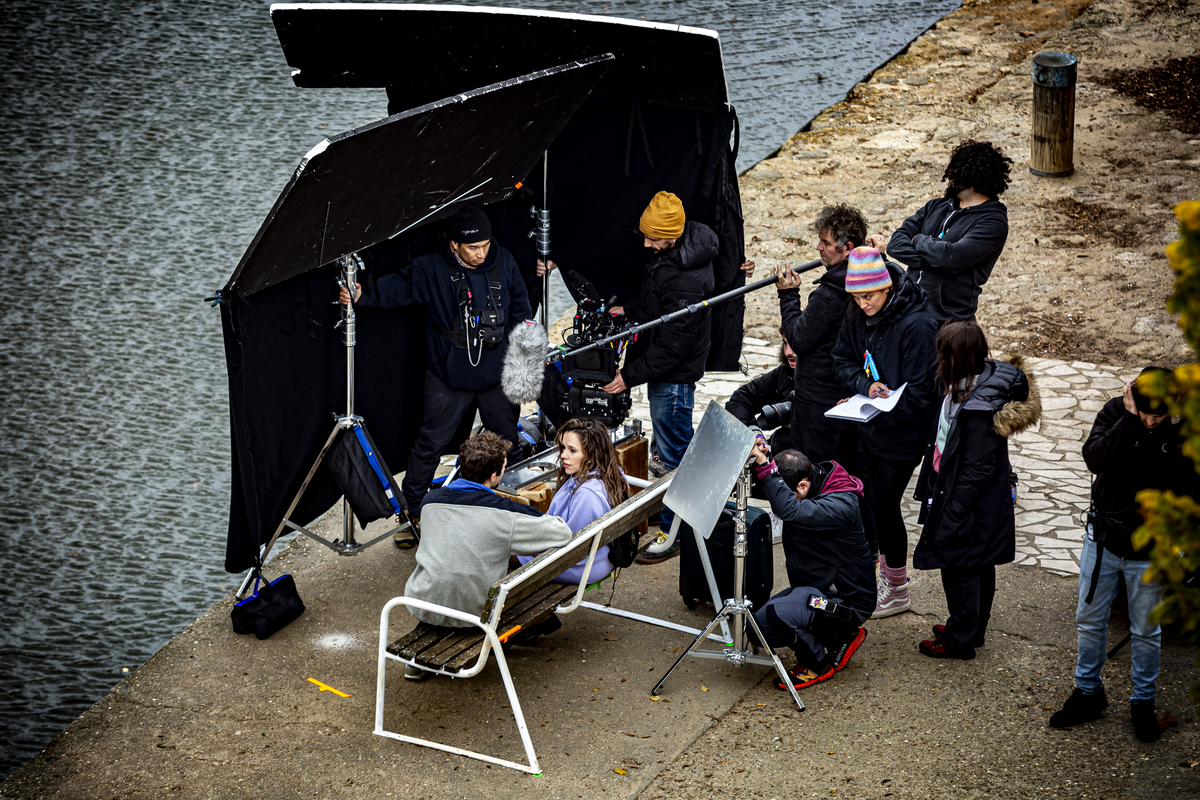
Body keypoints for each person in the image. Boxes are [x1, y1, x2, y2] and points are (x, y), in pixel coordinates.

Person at [341, 207, 532, 545]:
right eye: (473, 248)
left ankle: (510, 503)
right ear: (456, 245)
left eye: (485, 245)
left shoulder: (505, 262)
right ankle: (412, 512)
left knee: (507, 441)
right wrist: (360, 295)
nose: (481, 253)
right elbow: (397, 288)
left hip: (495, 374)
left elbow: (521, 309)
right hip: (447, 374)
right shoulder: (431, 267)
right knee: (430, 443)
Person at [1049, 368, 1193, 743]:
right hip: (1104, 538)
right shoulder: (1117, 414)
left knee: (1146, 630)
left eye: (1155, 416)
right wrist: (1129, 422)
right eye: (1143, 412)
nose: (1149, 420)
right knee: (1088, 619)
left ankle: (1142, 702)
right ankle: (1088, 692)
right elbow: (1095, 459)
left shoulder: (1184, 429)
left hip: (1150, 549)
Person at [912, 322, 1040, 660]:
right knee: (979, 563)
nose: (938, 358)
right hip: (966, 494)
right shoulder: (978, 380)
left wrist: (954, 510)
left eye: (944, 352)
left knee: (960, 564)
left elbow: (977, 469)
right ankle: (972, 628)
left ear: (958, 358)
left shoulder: (980, 410)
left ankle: (959, 639)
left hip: (967, 500)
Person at [602, 190, 717, 564]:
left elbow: (671, 347)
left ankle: (673, 534)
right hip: (667, 373)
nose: (647, 244)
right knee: (670, 449)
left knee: (673, 456)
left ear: (672, 235)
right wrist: (630, 309)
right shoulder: (672, 255)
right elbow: (657, 306)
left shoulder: (687, 279)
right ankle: (677, 524)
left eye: (653, 238)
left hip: (674, 378)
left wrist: (627, 377)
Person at [403, 431, 572, 680]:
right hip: (475, 613)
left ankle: (419, 657)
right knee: (517, 574)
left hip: (423, 604)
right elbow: (562, 533)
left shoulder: (429, 501)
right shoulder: (505, 512)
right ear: (494, 476)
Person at [830, 247, 939, 618]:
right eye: (856, 297)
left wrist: (881, 408)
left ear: (888, 287)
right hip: (871, 423)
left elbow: (923, 391)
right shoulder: (856, 314)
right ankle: (884, 575)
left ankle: (897, 586)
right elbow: (841, 360)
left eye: (870, 296)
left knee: (884, 504)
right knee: (874, 500)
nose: (863, 305)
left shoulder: (918, 325)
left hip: (903, 431)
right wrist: (864, 387)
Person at [774, 204, 877, 551]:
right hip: (850, 401)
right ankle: (867, 548)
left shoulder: (832, 292)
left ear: (847, 248)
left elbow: (799, 338)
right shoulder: (867, 281)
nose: (818, 248)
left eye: (825, 242)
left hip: (820, 405)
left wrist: (788, 296)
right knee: (855, 478)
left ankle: (818, 548)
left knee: (815, 477)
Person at [748, 441, 875, 690]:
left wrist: (765, 466)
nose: (778, 508)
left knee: (778, 615)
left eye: (788, 495)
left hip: (845, 603)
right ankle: (841, 638)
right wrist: (758, 445)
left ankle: (816, 663)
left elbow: (791, 509)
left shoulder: (841, 505)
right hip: (818, 591)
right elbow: (784, 497)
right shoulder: (808, 482)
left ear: (803, 485)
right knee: (756, 629)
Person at [868, 140, 1012, 325]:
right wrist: (937, 261)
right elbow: (895, 246)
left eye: (958, 170)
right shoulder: (936, 206)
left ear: (977, 176)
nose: (950, 175)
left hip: (949, 323)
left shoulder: (993, 222)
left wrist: (919, 240)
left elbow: (951, 256)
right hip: (909, 309)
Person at [517, 417, 632, 584]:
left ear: (592, 454)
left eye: (572, 450)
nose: (563, 455)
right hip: (599, 557)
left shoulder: (586, 495)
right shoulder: (612, 473)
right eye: (563, 448)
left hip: (581, 566)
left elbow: (570, 545)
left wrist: (534, 551)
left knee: (500, 553)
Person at [725, 331, 796, 456]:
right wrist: (753, 435)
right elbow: (741, 399)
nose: (788, 352)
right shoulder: (785, 372)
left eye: (795, 344)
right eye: (785, 343)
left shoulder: (826, 379)